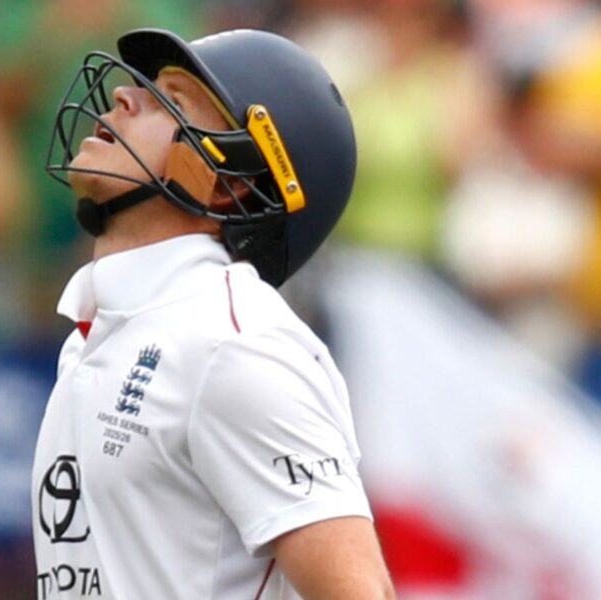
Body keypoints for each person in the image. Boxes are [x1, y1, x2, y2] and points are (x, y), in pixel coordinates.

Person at [32, 27, 394, 599]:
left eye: (171, 100)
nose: (125, 95)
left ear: (229, 184)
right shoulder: (102, 333)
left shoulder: (234, 345)